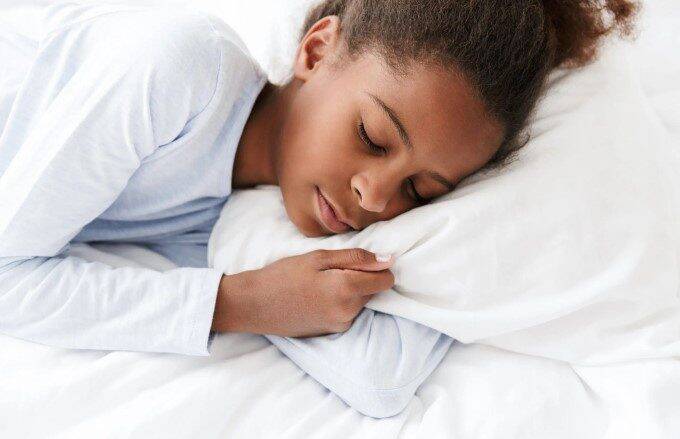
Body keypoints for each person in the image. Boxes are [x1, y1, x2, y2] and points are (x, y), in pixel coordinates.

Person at [0, 0, 636, 417]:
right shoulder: (178, 69)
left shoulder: (233, 218)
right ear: (314, 52)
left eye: (422, 191)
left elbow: (378, 382)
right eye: (373, 138)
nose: (376, 198)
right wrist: (239, 302)